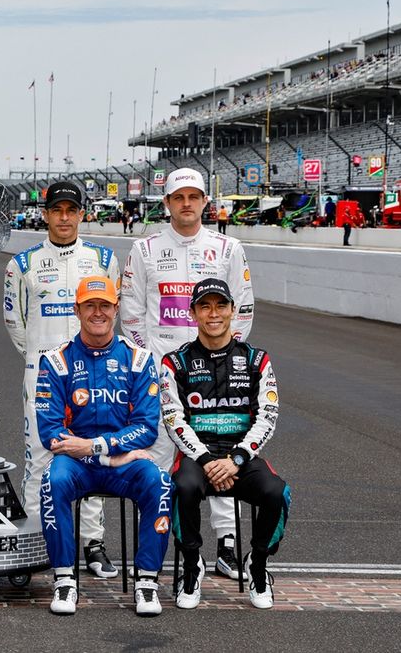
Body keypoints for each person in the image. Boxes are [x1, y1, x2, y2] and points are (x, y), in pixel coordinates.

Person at [119, 167, 255, 581]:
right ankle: (155, 546)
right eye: (179, 197)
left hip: (212, 369)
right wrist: (155, 363)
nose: (187, 204)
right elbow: (131, 314)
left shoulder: (228, 248)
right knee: (158, 459)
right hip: (162, 371)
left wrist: (220, 355)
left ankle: (228, 545)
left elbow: (243, 310)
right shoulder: (143, 250)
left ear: (204, 203)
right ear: (167, 204)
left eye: (194, 197)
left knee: (216, 451)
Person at [3, 181, 122, 579]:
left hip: (94, 374)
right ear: (46, 214)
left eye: (72, 209)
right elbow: (15, 323)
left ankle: (92, 543)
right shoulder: (21, 264)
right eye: (57, 210)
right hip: (43, 376)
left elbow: (109, 316)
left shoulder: (104, 259)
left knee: (93, 455)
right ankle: (38, 543)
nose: (65, 217)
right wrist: (45, 362)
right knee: (39, 460)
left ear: (82, 214)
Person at [36, 276, 171, 617]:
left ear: (116, 309)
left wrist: (96, 446)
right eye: (90, 305)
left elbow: (145, 428)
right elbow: (50, 432)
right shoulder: (55, 361)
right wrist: (102, 453)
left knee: (160, 482)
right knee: (53, 482)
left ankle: (147, 582)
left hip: (119, 462)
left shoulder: (139, 360)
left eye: (105, 305)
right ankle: (65, 579)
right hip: (79, 465)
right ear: (76, 310)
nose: (98, 313)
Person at [161, 278, 291, 610]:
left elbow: (268, 416)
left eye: (221, 305)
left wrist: (236, 459)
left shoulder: (256, 360)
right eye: (205, 306)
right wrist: (206, 460)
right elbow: (173, 418)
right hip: (197, 457)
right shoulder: (175, 362)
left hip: (240, 457)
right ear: (193, 314)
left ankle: (257, 564)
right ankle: (193, 566)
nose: (213, 313)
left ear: (233, 310)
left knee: (277, 491)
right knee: (181, 488)